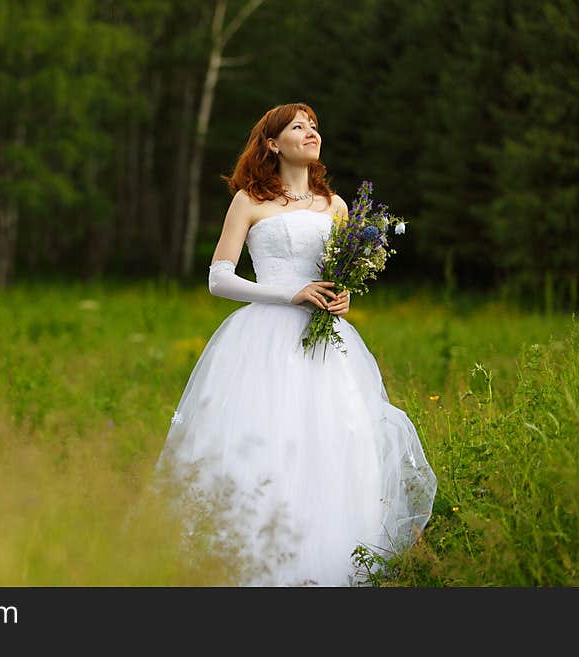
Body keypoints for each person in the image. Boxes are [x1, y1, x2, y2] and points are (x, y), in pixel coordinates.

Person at [152, 103, 437, 586]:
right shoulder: (250, 200)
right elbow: (219, 278)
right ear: (271, 142)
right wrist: (289, 292)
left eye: (314, 127)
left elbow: (339, 273)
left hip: (328, 345)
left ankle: (332, 567)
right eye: (298, 127)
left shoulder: (338, 206)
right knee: (268, 445)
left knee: (337, 442)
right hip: (264, 338)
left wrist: (341, 293)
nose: (311, 133)